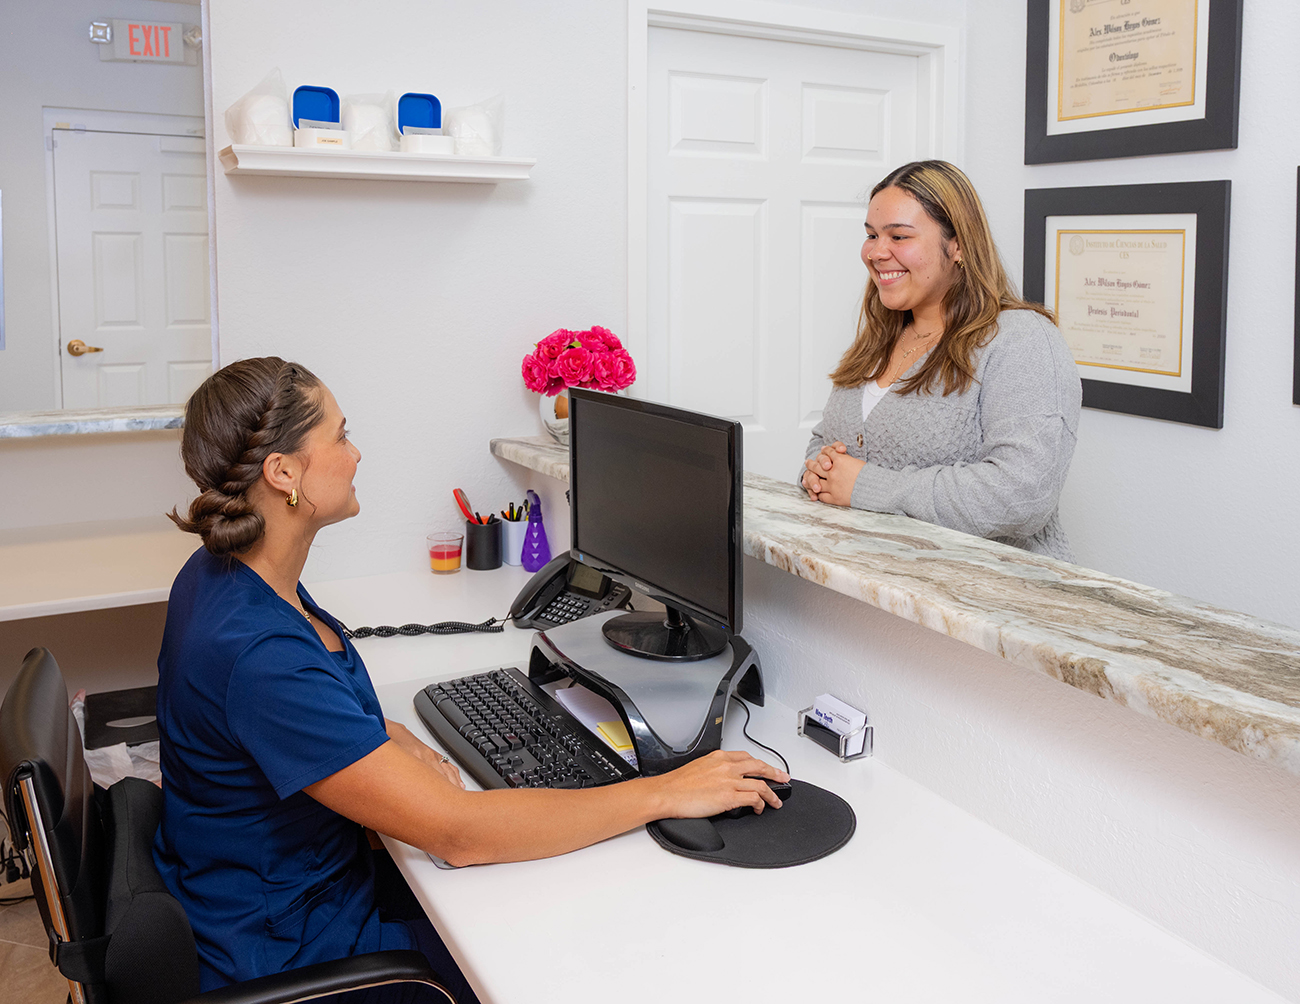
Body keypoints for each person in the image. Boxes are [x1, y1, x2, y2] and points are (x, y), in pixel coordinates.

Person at [154, 357, 787, 1000]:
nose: (357, 453)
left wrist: (399, 743)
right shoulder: (258, 653)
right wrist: (665, 793)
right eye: (341, 437)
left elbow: (319, 712)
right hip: (296, 954)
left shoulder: (223, 575)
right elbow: (457, 835)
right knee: (572, 959)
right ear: (283, 472)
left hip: (287, 898)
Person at [800, 160, 1082, 561]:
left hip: (990, 602)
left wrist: (866, 486)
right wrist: (817, 472)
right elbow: (823, 442)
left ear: (958, 245)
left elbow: (1024, 493)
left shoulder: (1020, 340)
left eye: (898, 235)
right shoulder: (880, 338)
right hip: (870, 595)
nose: (877, 252)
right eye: (871, 235)